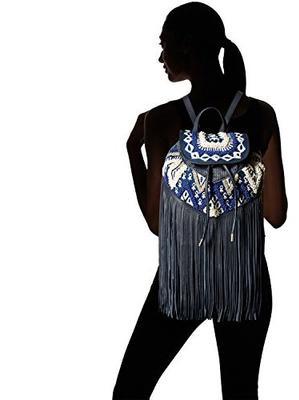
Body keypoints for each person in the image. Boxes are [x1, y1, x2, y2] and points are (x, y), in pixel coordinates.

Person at [112, 2, 288, 399]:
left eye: (164, 45)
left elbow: (157, 223)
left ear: (187, 44)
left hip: (182, 278)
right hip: (246, 282)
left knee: (131, 390)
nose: (161, 57)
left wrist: (133, 151)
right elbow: (276, 214)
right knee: (240, 394)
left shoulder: (161, 120)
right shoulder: (262, 115)